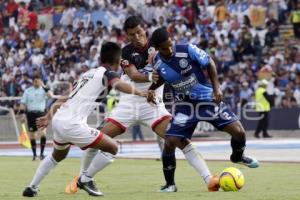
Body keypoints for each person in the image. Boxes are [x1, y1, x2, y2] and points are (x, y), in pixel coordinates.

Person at [22, 42, 149, 197]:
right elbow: (118, 85)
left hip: (60, 120)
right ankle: (85, 179)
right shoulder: (108, 73)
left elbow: (66, 96)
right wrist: (141, 93)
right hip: (72, 124)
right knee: (113, 148)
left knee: (58, 155)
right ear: (117, 60)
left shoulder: (87, 73)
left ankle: (32, 187)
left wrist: (49, 116)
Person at [65, 16, 173, 194]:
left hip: (153, 103)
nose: (136, 37)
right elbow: (133, 74)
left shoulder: (157, 44)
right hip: (129, 105)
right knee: (97, 140)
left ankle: (203, 179)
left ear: (144, 29)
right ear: (127, 36)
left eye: (139, 32)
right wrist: (149, 77)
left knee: (175, 139)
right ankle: (82, 177)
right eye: (132, 35)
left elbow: (171, 58)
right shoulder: (126, 52)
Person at [148, 28, 259, 191]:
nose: (169, 49)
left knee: (239, 132)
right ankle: (170, 185)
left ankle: (238, 156)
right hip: (184, 106)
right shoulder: (157, 61)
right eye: (165, 48)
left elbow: (210, 63)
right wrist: (151, 89)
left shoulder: (187, 49)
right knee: (170, 142)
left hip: (207, 99)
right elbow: (163, 79)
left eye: (170, 44)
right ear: (157, 48)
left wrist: (217, 89)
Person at [19, 75, 53, 161]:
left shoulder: (44, 90)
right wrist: (22, 114)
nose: (36, 82)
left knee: (43, 133)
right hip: (30, 114)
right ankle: (34, 155)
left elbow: (51, 96)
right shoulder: (27, 91)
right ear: (33, 81)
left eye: (38, 80)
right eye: (35, 80)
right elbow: (23, 103)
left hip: (41, 114)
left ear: (40, 81)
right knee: (32, 135)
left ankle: (42, 154)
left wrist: (44, 86)